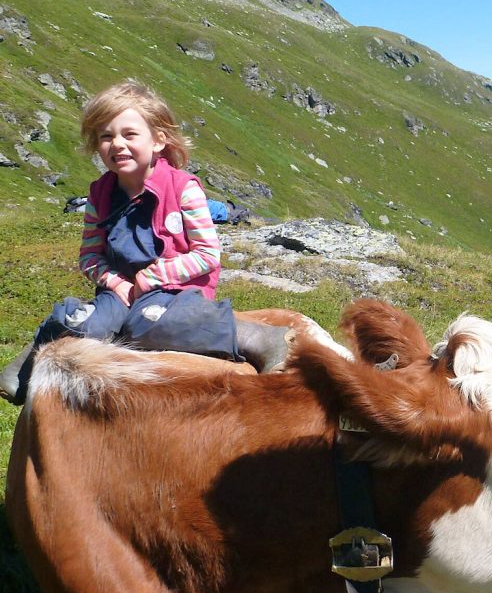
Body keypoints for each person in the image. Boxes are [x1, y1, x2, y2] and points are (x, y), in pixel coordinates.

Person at [0, 81, 290, 405]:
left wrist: (154, 277)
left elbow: (207, 254)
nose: (117, 144)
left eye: (129, 134)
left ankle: (261, 337)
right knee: (89, 324)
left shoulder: (183, 188)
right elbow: (90, 256)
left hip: (173, 292)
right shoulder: (99, 194)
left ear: (158, 140)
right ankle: (33, 354)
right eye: (106, 136)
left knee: (153, 326)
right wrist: (114, 282)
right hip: (120, 291)